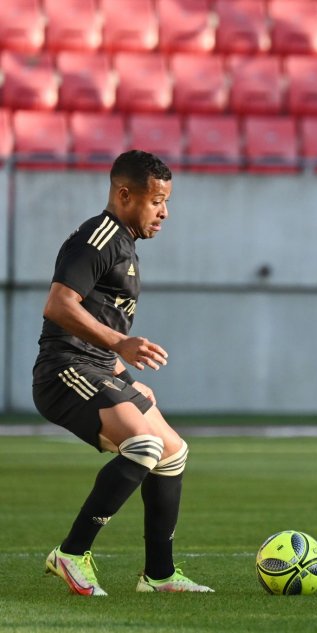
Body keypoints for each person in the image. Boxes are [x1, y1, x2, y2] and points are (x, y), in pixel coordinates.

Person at [34, 150, 213, 595]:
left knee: (172, 451)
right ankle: (71, 553)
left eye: (166, 202)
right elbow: (58, 305)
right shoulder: (97, 238)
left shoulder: (124, 244)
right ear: (125, 195)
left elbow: (98, 323)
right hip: (64, 370)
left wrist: (128, 379)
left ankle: (159, 575)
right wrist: (120, 344)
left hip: (98, 368)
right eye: (157, 201)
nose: (164, 212)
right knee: (143, 445)